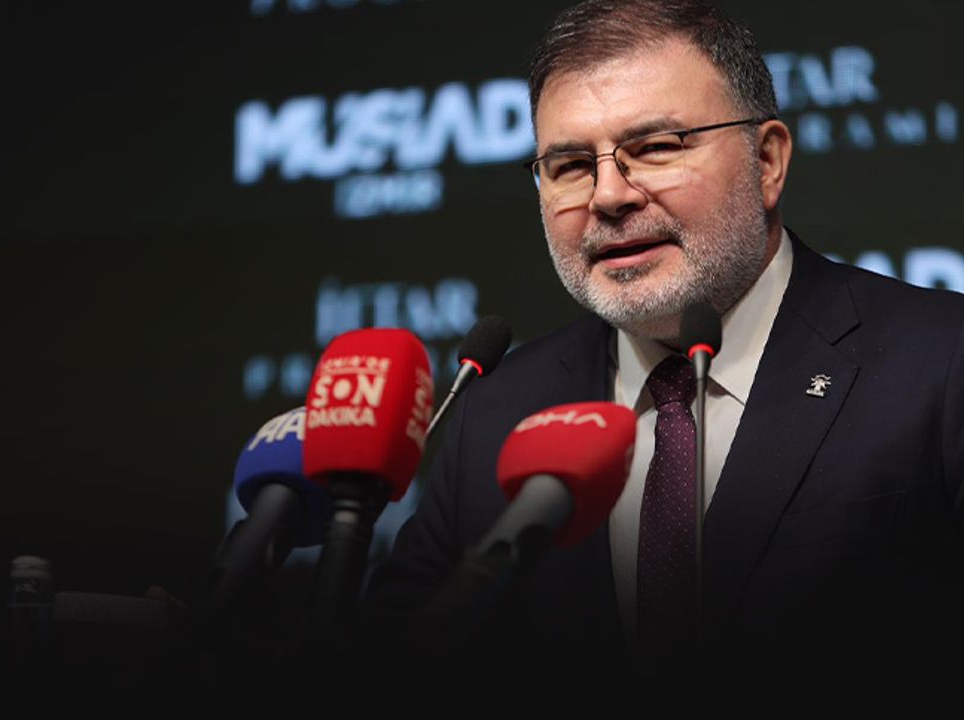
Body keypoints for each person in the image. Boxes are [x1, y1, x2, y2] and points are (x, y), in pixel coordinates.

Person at [361, 0, 964, 683]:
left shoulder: (941, 365)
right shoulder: (496, 415)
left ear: (767, 161)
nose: (608, 196)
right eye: (570, 165)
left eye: (655, 148)